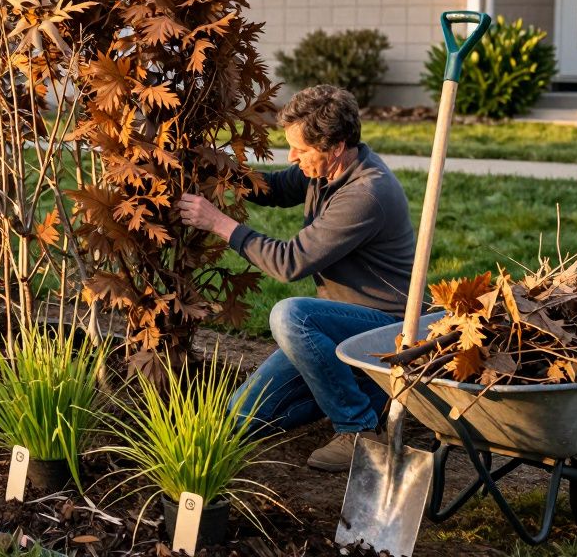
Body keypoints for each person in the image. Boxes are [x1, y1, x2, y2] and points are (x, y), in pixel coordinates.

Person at [177, 85, 415, 472]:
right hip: (336, 327)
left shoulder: (366, 194)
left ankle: (357, 428)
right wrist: (216, 168)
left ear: (335, 146)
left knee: (290, 316)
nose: (293, 158)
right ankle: (363, 395)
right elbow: (273, 187)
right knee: (238, 418)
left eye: (301, 150)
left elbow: (289, 263)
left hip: (382, 333)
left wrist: (218, 223)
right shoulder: (325, 171)